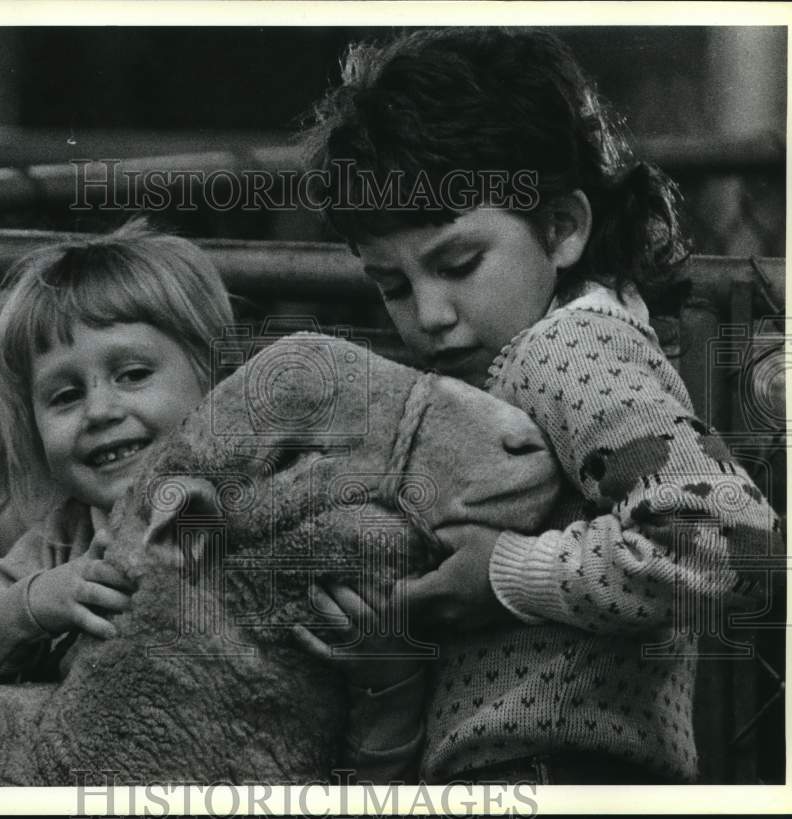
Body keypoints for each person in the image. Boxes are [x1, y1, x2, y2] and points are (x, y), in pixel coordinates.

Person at [295, 27, 779, 784]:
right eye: (392, 285)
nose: (429, 315)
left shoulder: (569, 349)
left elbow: (729, 536)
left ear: (561, 228)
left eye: (459, 263)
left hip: (567, 771)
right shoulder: (514, 360)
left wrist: (507, 574)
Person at [0, 219, 234, 687]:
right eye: (66, 395)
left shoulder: (256, 508)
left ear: (212, 379)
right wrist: (29, 608)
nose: (98, 411)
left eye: (132, 374)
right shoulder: (62, 544)